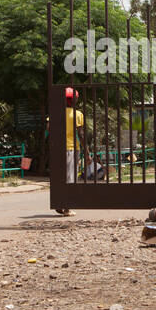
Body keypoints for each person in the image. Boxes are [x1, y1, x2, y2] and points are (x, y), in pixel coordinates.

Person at [57, 86, 83, 216]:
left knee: (59, 178)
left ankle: (59, 203)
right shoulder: (77, 114)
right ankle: (67, 208)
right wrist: (87, 153)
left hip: (58, 149)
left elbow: (49, 128)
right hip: (72, 148)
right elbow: (81, 134)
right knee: (70, 178)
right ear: (73, 100)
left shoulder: (57, 112)